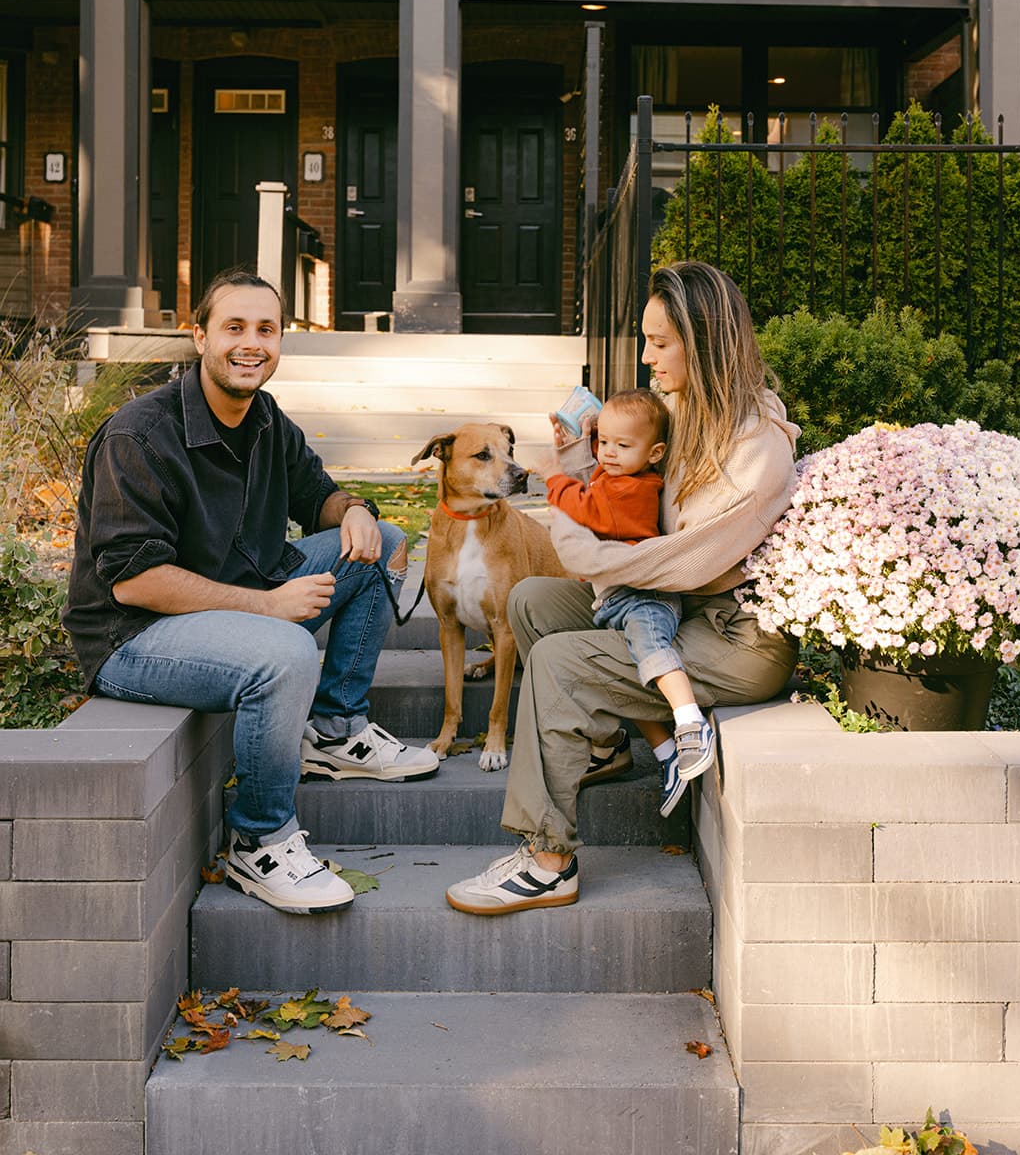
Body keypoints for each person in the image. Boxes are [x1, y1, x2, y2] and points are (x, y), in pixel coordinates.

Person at [63, 268, 439, 916]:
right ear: (199, 336)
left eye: (266, 330)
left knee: (379, 539)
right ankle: (259, 841)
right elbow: (135, 579)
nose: (251, 343)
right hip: (134, 638)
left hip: (235, 597)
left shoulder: (264, 418)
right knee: (284, 653)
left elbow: (317, 494)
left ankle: (335, 730)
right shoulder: (140, 435)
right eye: (233, 327)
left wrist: (354, 510)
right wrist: (268, 607)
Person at [446, 261, 800, 916]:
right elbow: (632, 507)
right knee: (531, 601)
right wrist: (583, 460)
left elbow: (681, 563)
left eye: (659, 342)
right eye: (645, 340)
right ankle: (606, 747)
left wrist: (578, 536)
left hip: (735, 635)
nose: (645, 357)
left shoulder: (756, 449)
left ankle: (548, 861)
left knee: (558, 661)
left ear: (705, 342)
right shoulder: (682, 412)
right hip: (673, 607)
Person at [540, 387, 716, 815]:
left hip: (644, 598)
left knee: (651, 649)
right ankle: (667, 755)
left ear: (655, 453)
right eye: (603, 442)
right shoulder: (617, 474)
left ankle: (690, 723)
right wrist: (580, 443)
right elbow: (596, 477)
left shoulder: (633, 490)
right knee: (630, 674)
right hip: (617, 599)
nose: (608, 453)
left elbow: (587, 508)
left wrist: (554, 477)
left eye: (622, 445)